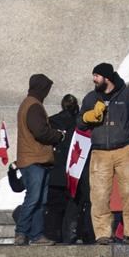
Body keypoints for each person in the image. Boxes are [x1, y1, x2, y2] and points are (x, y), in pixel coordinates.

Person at [80, 62, 129, 245]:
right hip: (100, 152)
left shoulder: (127, 96)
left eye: (96, 76)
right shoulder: (91, 97)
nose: (94, 79)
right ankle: (103, 233)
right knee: (99, 195)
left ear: (107, 78)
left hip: (124, 150)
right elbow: (80, 123)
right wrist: (89, 116)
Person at [14, 74, 63, 245]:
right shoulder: (34, 106)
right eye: (47, 89)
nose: (48, 93)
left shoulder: (30, 103)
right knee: (34, 198)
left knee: (40, 200)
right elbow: (41, 132)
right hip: (34, 159)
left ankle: (36, 234)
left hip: (37, 159)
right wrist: (58, 136)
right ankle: (22, 231)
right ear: (41, 89)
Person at [45, 94, 91, 243]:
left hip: (55, 170)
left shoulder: (51, 122)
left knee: (54, 210)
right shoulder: (79, 124)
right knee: (73, 207)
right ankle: (69, 236)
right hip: (74, 170)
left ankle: (53, 236)